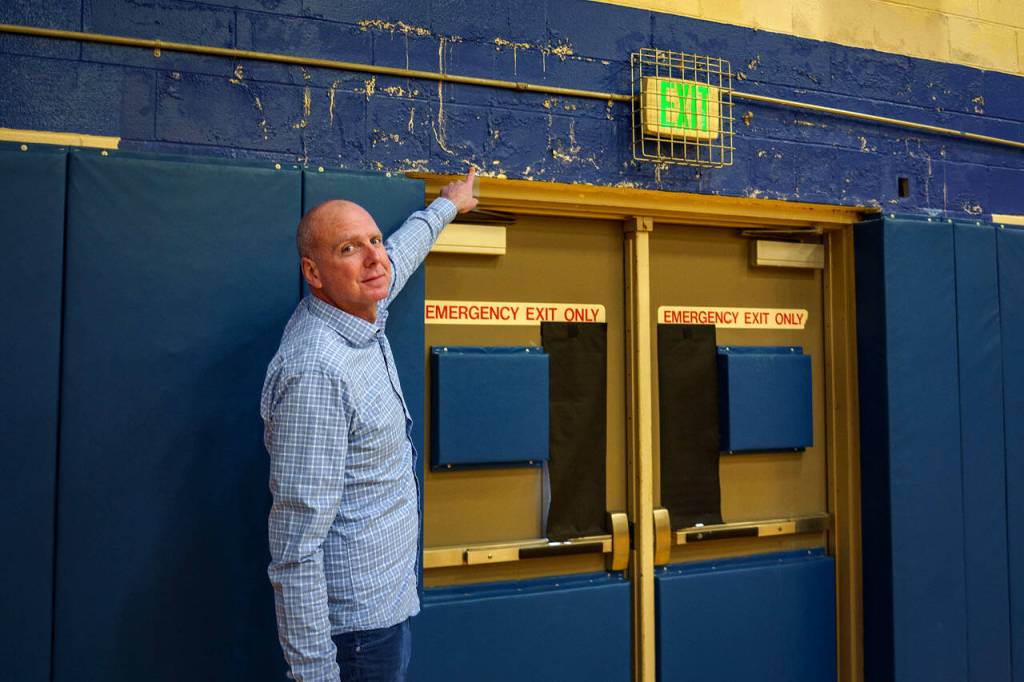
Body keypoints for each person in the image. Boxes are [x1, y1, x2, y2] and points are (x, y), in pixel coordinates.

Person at [260, 168, 479, 682]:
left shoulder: (360, 310)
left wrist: (447, 205)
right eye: (348, 249)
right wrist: (316, 675)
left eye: (375, 239)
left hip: (387, 606)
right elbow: (295, 547)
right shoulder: (316, 368)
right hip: (353, 639)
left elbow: (396, 259)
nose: (375, 257)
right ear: (313, 274)